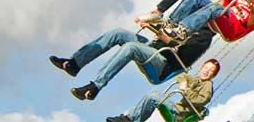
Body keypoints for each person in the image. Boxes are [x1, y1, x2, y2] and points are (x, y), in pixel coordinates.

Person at [51, 22, 216, 104]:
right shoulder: (192, 20)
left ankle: (95, 86)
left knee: (131, 47)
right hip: (153, 48)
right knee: (119, 33)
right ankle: (74, 64)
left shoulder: (204, 38)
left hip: (163, 64)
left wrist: (165, 38)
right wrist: (153, 24)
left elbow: (181, 54)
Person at [120, 58, 219, 122]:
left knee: (153, 96)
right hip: (177, 109)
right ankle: (131, 118)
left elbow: (201, 100)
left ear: (213, 75)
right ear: (201, 68)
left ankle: (130, 119)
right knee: (153, 95)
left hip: (181, 114)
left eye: (210, 71)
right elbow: (181, 75)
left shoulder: (208, 85)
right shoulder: (196, 79)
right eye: (206, 68)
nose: (206, 71)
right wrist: (183, 83)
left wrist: (186, 91)